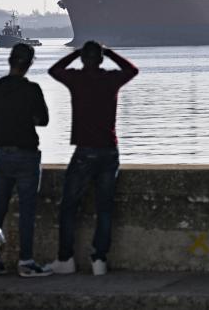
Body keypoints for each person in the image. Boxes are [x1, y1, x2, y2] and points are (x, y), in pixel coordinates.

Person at [47, 41, 138, 276]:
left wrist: (75, 53)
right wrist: (110, 53)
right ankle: (99, 260)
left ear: (83, 59)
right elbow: (132, 70)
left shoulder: (76, 79)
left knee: (69, 206)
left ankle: (66, 259)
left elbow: (54, 70)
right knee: (104, 208)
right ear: (100, 59)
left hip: (85, 151)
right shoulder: (111, 79)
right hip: (109, 150)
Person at [0, 43, 52, 277]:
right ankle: (26, 261)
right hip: (26, 155)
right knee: (27, 211)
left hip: (1, 154)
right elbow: (43, 120)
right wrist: (28, 118)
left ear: (10, 60)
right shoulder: (32, 89)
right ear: (30, 64)